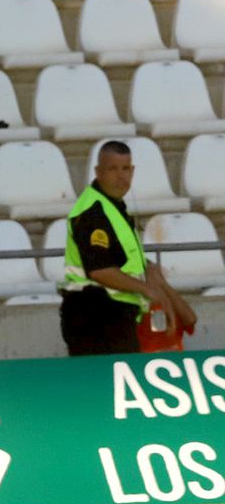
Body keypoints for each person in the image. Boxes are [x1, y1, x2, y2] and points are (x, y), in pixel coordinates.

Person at [60, 140, 197, 356]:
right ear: (98, 172)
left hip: (113, 316)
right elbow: (100, 269)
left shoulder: (112, 206)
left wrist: (149, 269)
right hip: (95, 315)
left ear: (133, 171)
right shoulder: (93, 211)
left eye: (125, 169)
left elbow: (122, 258)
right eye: (113, 169)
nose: (121, 176)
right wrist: (148, 289)